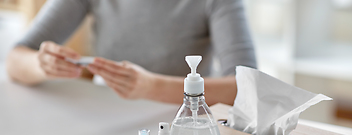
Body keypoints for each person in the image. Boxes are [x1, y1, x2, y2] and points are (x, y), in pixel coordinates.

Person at [6, 0, 256, 106]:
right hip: (107, 119)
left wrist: (150, 87)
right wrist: (42, 65)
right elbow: (15, 59)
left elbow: (248, 87)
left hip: (180, 127)